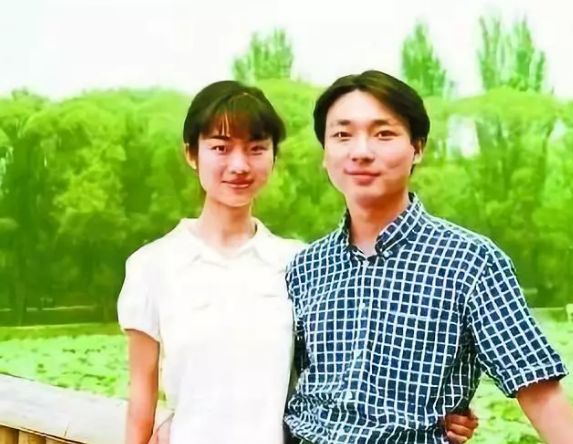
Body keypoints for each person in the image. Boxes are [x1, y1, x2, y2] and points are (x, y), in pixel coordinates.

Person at [117, 80, 478, 444]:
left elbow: (344, 375)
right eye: (220, 148)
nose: (239, 165)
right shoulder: (152, 266)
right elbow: (141, 405)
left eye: (256, 148)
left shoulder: (299, 264)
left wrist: (437, 413)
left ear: (273, 157)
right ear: (192, 154)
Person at [283, 70, 573, 443]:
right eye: (342, 135)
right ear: (325, 153)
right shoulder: (306, 268)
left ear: (418, 147)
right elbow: (285, 385)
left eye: (383, 134)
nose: (360, 151)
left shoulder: (471, 262)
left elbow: (539, 390)